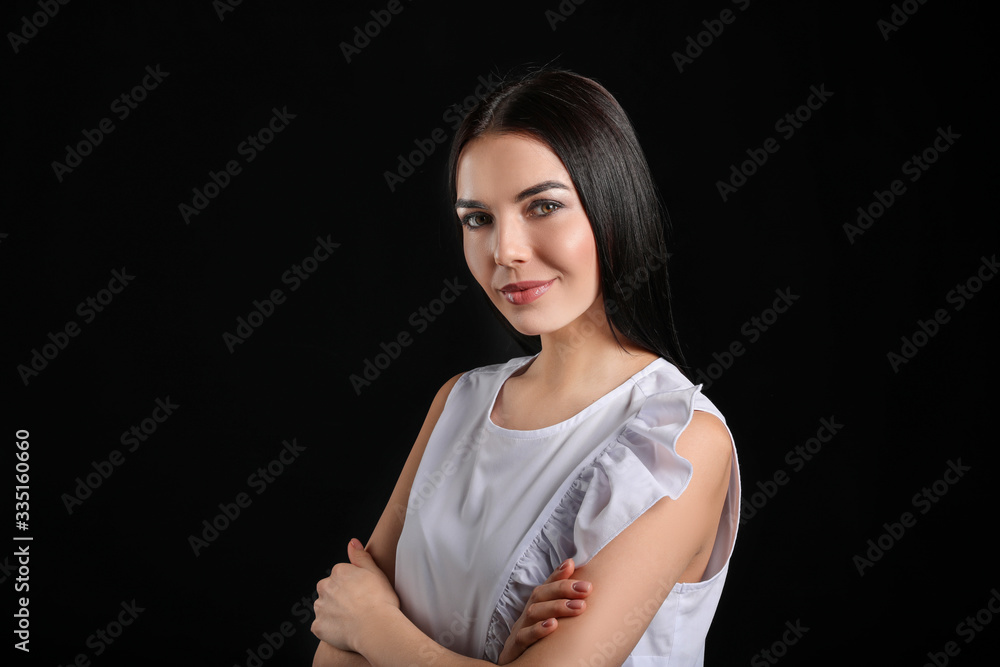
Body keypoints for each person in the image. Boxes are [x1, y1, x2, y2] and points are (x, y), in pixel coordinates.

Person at [311, 68, 741, 666]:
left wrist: (374, 623)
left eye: (543, 206)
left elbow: (351, 618)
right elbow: (330, 656)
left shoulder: (678, 440)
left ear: (609, 207)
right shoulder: (460, 403)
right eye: (477, 218)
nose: (504, 250)